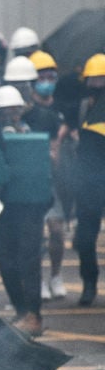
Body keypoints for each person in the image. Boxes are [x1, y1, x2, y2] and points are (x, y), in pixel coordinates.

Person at [0, 85, 52, 336]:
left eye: (13, 112)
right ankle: (20, 309)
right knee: (5, 259)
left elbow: (43, 175)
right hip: (3, 206)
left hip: (29, 208)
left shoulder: (32, 140)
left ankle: (34, 314)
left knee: (29, 259)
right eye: (2, 113)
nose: (9, 117)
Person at [26, 51, 70, 300]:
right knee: (34, 233)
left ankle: (55, 275)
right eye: (42, 76)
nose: (47, 81)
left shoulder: (60, 107)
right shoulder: (26, 111)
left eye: (51, 76)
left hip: (55, 178)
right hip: (32, 178)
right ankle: (39, 279)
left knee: (56, 230)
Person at [74, 53, 105, 306]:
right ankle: (89, 281)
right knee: (84, 238)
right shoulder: (83, 106)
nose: (96, 86)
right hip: (88, 182)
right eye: (92, 81)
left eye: (101, 81)